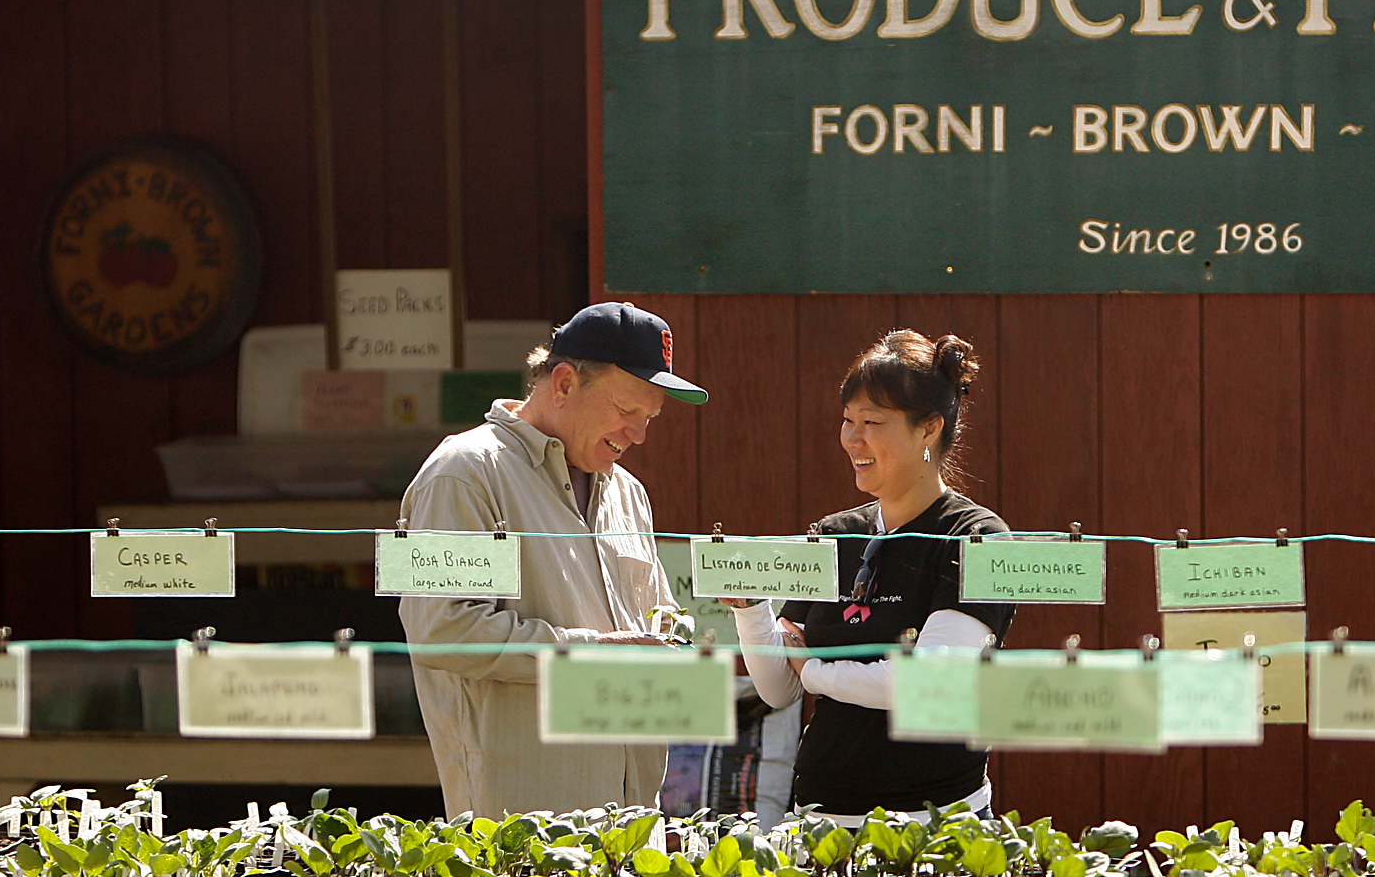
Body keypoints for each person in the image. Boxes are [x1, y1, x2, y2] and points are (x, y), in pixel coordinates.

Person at [398, 301, 707, 818]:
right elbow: (439, 627)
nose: (640, 435)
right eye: (628, 412)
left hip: (634, 824)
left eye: (650, 418)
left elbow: (656, 615)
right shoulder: (460, 473)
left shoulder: (628, 491)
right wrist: (592, 654)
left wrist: (674, 641)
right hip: (518, 834)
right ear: (563, 384)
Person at [730, 331, 1012, 823]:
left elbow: (926, 685)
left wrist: (815, 671)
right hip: (820, 819)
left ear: (928, 429)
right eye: (847, 421)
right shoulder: (836, 534)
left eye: (872, 423)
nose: (852, 439)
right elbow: (778, 690)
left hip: (935, 823)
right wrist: (751, 610)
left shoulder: (978, 536)